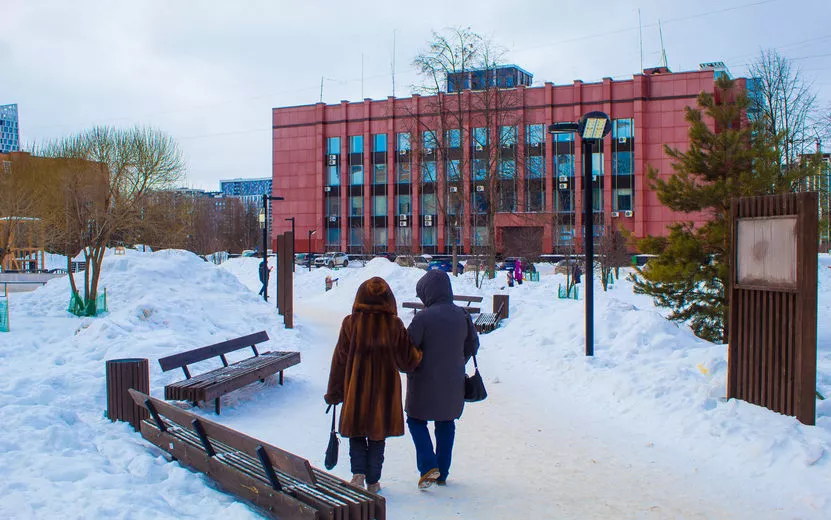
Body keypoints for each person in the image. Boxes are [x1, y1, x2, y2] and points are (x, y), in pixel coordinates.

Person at [325, 277, 422, 494]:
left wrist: (334, 392)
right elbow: (408, 361)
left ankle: (358, 474)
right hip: (384, 393)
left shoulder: (350, 323)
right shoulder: (394, 325)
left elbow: (339, 359)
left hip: (356, 390)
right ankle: (373, 482)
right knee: (378, 436)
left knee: (357, 432)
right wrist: (421, 353)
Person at [406, 270, 480, 489]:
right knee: (446, 423)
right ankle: (442, 472)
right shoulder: (463, 315)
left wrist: (412, 365)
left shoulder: (422, 318)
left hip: (422, 382)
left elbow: (408, 348)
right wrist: (457, 362)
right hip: (453, 382)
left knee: (416, 420)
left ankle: (428, 465)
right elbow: (472, 346)